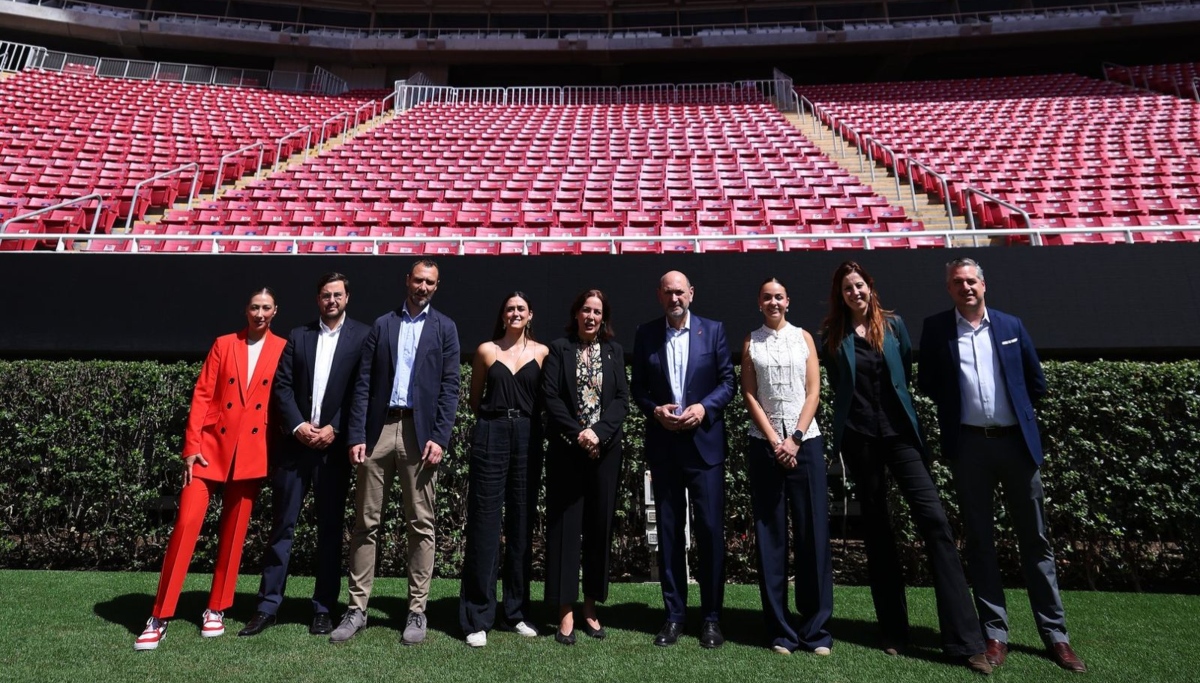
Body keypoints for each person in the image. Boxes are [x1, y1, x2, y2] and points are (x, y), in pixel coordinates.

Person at [819, 261, 991, 675]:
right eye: (847, 289)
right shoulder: (832, 337)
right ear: (840, 296)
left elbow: (905, 377)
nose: (854, 293)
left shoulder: (893, 327)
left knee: (935, 523)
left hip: (900, 438)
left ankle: (965, 640)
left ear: (870, 287)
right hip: (861, 442)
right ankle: (893, 631)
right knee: (878, 532)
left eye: (859, 285)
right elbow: (838, 384)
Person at [918, 258, 1086, 673]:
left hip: (1016, 447)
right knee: (980, 542)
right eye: (957, 282)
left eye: (971, 280)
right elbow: (929, 383)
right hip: (969, 448)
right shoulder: (937, 328)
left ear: (983, 284)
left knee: (1036, 541)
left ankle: (1056, 636)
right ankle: (994, 634)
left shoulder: (1011, 325)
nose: (966, 288)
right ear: (949, 288)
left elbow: (1035, 382)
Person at [135, 288, 287, 651]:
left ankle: (216, 608)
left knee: (234, 535)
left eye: (266, 308)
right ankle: (159, 614)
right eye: (254, 307)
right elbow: (203, 394)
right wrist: (191, 448)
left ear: (275, 311)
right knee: (185, 526)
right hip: (209, 450)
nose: (260, 313)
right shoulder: (224, 343)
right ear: (245, 310)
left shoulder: (283, 347)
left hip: (251, 452)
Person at [330, 259, 461, 645]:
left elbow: (450, 386)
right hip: (378, 431)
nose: (422, 287)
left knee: (421, 524)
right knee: (365, 523)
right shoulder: (383, 325)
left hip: (420, 435)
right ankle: (357, 608)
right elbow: (364, 383)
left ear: (437, 287)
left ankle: (417, 611)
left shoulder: (445, 328)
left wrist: (440, 435)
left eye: (430, 283)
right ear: (407, 281)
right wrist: (356, 435)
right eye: (418, 280)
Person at [239, 273, 369, 638]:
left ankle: (324, 608)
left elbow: (362, 391)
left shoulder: (362, 336)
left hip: (332, 452)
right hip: (295, 449)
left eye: (338, 295)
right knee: (282, 528)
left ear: (347, 298)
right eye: (326, 295)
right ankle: (267, 607)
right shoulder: (299, 336)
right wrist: (298, 426)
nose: (332, 301)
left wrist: (336, 428)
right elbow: (281, 387)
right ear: (318, 299)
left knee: (329, 533)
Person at [632, 270, 735, 649]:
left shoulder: (715, 330)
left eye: (681, 292)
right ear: (659, 295)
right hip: (664, 447)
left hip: (704, 448)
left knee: (709, 532)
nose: (675, 298)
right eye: (668, 293)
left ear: (691, 293)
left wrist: (704, 409)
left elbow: (728, 382)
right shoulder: (646, 334)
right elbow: (638, 387)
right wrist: (654, 410)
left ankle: (711, 618)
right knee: (670, 535)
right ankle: (674, 616)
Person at [740, 278, 833, 656]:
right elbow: (749, 393)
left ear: (788, 301)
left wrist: (794, 438)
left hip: (805, 443)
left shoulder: (804, 338)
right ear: (759, 303)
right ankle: (780, 630)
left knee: (813, 536)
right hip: (764, 447)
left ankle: (816, 631)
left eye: (779, 296)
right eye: (767, 297)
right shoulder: (750, 342)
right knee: (771, 538)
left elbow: (814, 390)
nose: (773, 301)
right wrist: (775, 440)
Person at [459, 292, 549, 648]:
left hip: (528, 435)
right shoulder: (486, 350)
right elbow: (475, 398)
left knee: (522, 524)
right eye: (509, 308)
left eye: (521, 309)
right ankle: (477, 616)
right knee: (484, 523)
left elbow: (546, 401)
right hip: (491, 432)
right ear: (502, 315)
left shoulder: (543, 353)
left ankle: (517, 612)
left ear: (530, 315)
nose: (515, 313)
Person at [542, 289, 629, 646]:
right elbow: (551, 397)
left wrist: (598, 434)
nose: (591, 317)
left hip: (604, 453)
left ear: (602, 317)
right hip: (567, 452)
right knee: (565, 531)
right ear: (575, 314)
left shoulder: (614, 351)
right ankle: (564, 612)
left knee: (598, 530)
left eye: (597, 311)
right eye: (585, 310)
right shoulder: (558, 349)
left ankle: (590, 608)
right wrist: (581, 434)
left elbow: (622, 399)